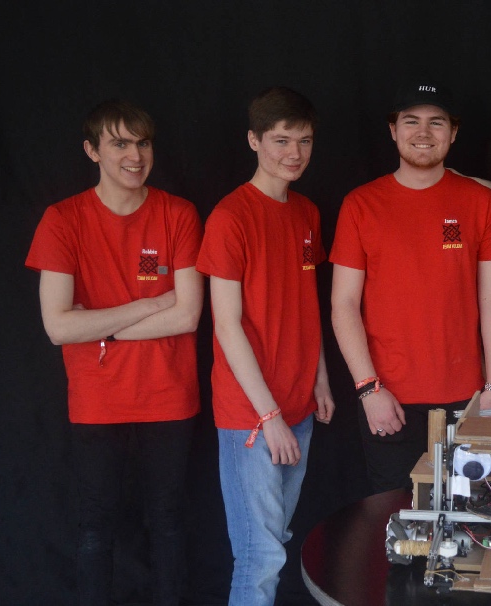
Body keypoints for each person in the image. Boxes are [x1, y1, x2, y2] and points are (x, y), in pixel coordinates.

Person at [25, 100, 202, 605]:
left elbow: (187, 315)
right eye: (119, 143)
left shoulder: (178, 213)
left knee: (168, 523)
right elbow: (58, 327)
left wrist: (100, 328)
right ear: (92, 150)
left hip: (168, 397)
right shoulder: (62, 220)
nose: (134, 155)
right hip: (97, 401)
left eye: (142, 143)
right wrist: (149, 305)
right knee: (95, 527)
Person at [330, 81, 491, 493]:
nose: (424, 132)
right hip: (388, 397)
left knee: (467, 525)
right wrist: (367, 389)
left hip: (467, 399)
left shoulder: (478, 202)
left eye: (436, 122)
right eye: (411, 121)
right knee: (397, 526)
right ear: (393, 130)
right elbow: (343, 303)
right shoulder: (361, 204)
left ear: (453, 133)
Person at [196, 87, 335, 605]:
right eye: (281, 140)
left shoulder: (305, 213)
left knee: (274, 542)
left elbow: (306, 304)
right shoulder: (230, 217)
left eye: (304, 140)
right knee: (259, 555)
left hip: (297, 404)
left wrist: (319, 377)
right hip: (253, 417)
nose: (293, 153)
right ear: (254, 141)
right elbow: (226, 325)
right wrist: (269, 414)